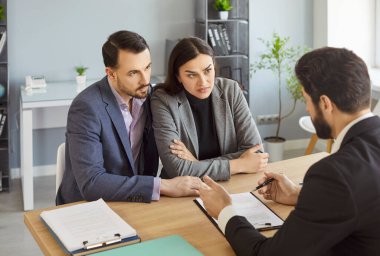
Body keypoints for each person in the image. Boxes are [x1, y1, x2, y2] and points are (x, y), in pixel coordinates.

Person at [199, 47, 380, 255]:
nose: (307, 109)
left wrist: (225, 211)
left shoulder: (334, 174)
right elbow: (362, 201)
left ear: (325, 103)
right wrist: (299, 195)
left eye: (306, 100)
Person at [56, 30, 203, 205]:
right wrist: (163, 185)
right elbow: (92, 183)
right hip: (88, 206)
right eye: (133, 73)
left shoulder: (153, 97)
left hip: (136, 203)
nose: (145, 80)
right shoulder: (86, 107)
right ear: (111, 73)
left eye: (147, 67)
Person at [151, 37, 268, 181]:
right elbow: (178, 169)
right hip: (183, 192)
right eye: (192, 75)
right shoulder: (163, 100)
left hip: (231, 183)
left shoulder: (230, 90)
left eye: (207, 71)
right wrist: (238, 164)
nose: (203, 82)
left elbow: (256, 153)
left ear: (214, 66)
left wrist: (195, 164)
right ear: (178, 76)